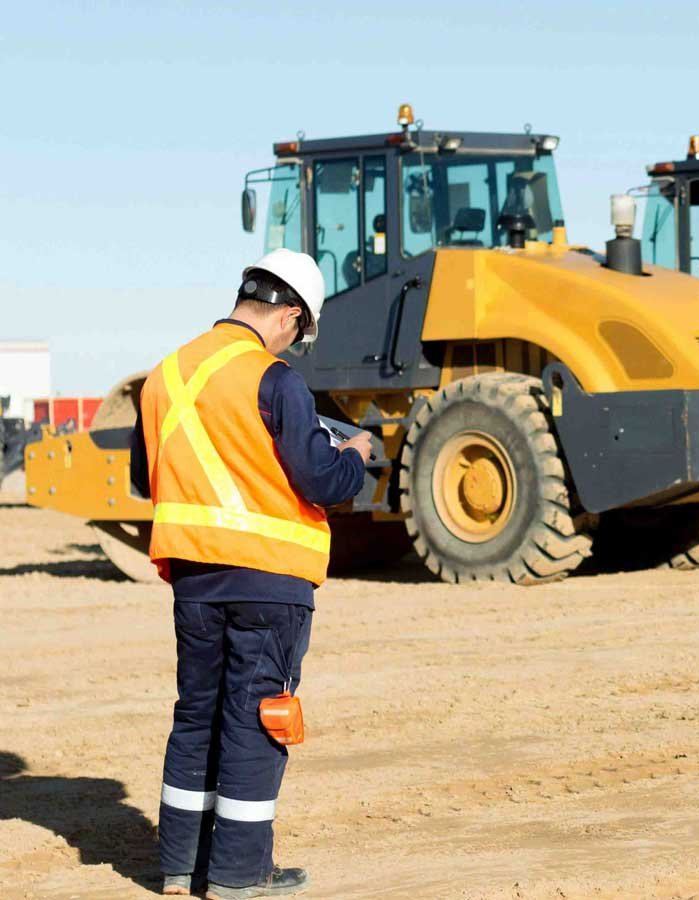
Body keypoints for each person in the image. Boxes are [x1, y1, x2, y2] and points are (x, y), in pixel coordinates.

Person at [129, 249, 373, 898]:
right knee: (255, 719)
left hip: (195, 582)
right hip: (270, 580)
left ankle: (181, 867)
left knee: (196, 717)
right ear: (291, 315)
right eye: (302, 331)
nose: (297, 342)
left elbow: (141, 477)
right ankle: (238, 875)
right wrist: (353, 455)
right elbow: (320, 479)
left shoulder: (165, 376)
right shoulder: (276, 380)